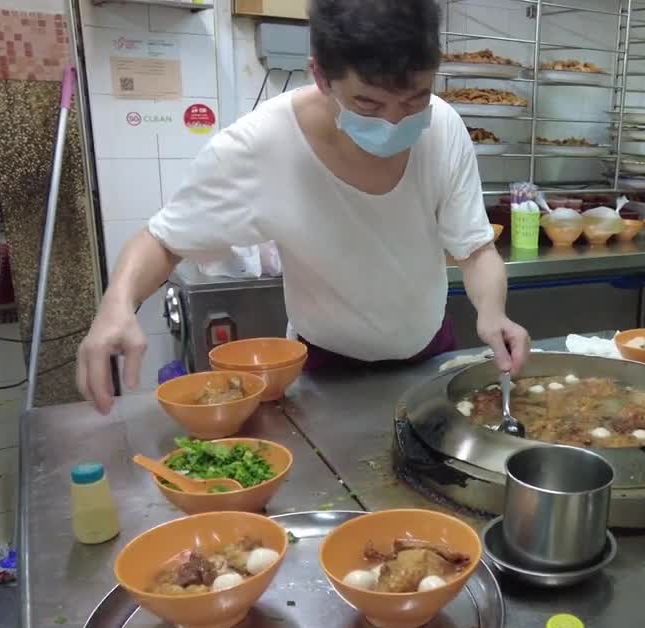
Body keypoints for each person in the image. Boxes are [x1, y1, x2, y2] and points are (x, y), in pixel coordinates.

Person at [76, 0, 530, 414]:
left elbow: (474, 248)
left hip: (431, 353)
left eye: (414, 99)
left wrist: (492, 313)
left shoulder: (443, 127)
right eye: (367, 103)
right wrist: (117, 304)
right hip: (323, 367)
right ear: (320, 76)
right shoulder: (260, 146)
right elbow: (162, 240)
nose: (395, 120)